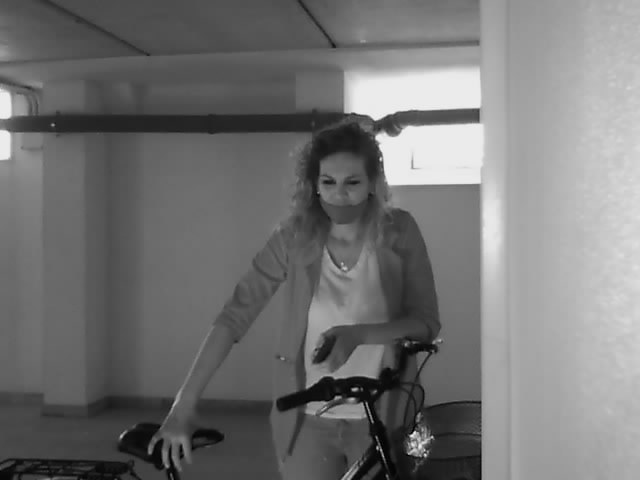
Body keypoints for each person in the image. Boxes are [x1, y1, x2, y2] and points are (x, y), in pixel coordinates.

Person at [147, 120, 440, 480]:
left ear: (373, 184)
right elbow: (235, 316)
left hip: (381, 414)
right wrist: (184, 404)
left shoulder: (400, 231)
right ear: (314, 185)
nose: (339, 195)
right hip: (307, 417)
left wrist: (360, 334)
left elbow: (426, 323)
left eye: (352, 183)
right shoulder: (295, 237)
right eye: (328, 182)